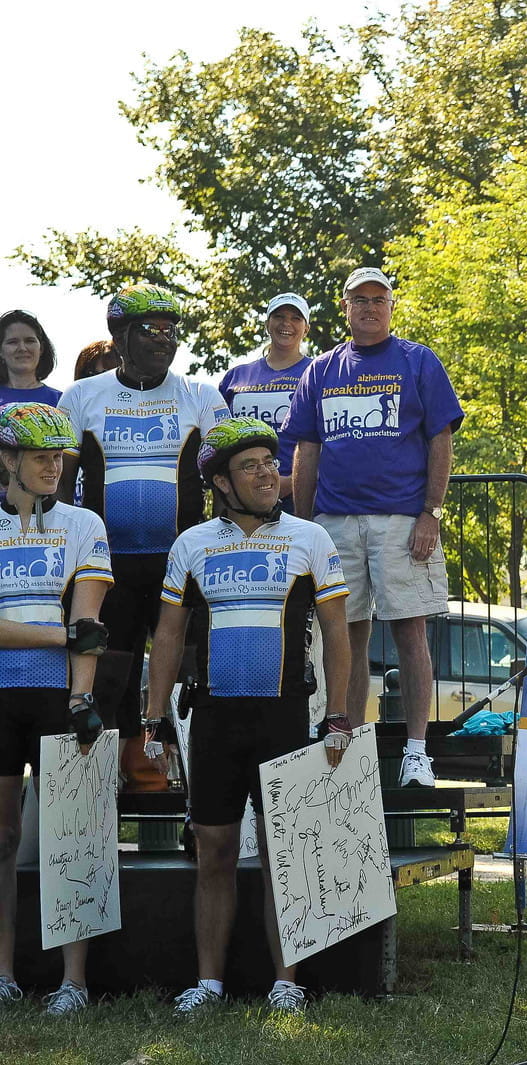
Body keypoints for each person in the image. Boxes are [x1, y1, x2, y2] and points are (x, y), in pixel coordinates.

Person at [144, 418, 350, 1017]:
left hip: (285, 715)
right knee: (214, 852)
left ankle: (287, 982)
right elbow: (168, 634)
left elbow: (338, 635)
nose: (268, 474)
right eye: (251, 466)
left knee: (281, 849)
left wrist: (337, 715)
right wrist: (154, 718)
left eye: (270, 462)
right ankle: (208, 983)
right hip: (213, 719)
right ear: (221, 483)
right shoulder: (192, 544)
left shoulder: (310, 538)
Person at [282, 268, 462, 787]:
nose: (368, 308)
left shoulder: (418, 360)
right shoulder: (320, 369)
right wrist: (307, 526)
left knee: (410, 631)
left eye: (378, 299)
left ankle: (416, 753)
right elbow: (306, 450)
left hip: (402, 521)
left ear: (391, 307)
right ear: (344, 308)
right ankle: (349, 746)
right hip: (335, 522)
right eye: (359, 300)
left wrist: (431, 511)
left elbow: (440, 438)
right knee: (345, 635)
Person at [55, 284, 229, 789]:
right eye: (150, 331)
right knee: (111, 676)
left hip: (182, 562)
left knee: (191, 672)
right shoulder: (81, 397)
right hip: (108, 566)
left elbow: (226, 479)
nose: (164, 340)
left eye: (172, 332)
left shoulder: (202, 396)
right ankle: (107, 786)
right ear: (120, 337)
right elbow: (63, 490)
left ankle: (200, 787)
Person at [0, 403, 112, 1015]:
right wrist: (54, 637)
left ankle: (74, 981)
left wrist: (81, 696)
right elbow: (66, 632)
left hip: (59, 696)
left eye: (59, 457)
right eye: (40, 456)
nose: (54, 466)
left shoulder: (84, 523)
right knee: (3, 835)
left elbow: (88, 623)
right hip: (1, 694)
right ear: (7, 459)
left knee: (71, 836)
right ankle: (3, 971)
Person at [218, 293, 313, 508]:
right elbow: (221, 443)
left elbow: (326, 442)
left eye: (296, 318)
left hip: (298, 501)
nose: (286, 323)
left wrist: (289, 483)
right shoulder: (236, 377)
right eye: (279, 316)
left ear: (306, 328)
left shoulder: (318, 372)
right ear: (267, 324)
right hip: (242, 501)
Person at [0, 310, 62, 407]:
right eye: (13, 342)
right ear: (1, 351)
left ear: (41, 348)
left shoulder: (60, 401)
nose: (22, 348)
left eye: (29, 341)